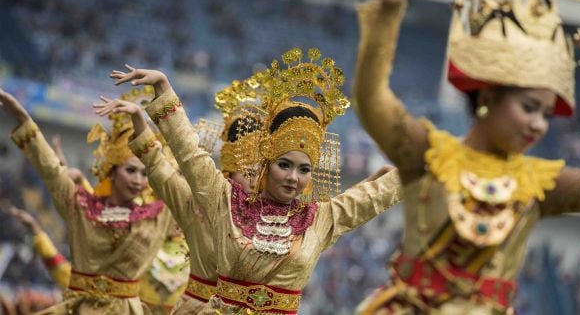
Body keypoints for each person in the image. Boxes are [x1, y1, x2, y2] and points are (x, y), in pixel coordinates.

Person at [345, 0, 580, 314]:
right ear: (489, 97)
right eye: (529, 107)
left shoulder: (542, 184)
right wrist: (388, 16)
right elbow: (372, 101)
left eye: (546, 115)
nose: (539, 124)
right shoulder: (429, 154)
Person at [107, 47, 403, 314]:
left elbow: (375, 196)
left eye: (303, 170)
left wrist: (429, 164)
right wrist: (164, 89)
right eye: (284, 165)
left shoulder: (320, 219)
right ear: (266, 165)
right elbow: (190, 156)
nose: (293, 178)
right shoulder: (225, 201)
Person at [93, 69, 265, 314]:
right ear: (228, 174)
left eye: (261, 173)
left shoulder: (277, 221)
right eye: (248, 172)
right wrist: (150, 108)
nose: (255, 181)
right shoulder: (197, 208)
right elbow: (161, 165)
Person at [0, 88, 174, 315]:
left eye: (144, 174)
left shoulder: (154, 217)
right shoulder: (81, 207)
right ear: (111, 171)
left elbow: (173, 178)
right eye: (131, 171)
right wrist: (24, 120)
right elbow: (52, 172)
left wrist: (145, 122)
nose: (138, 180)